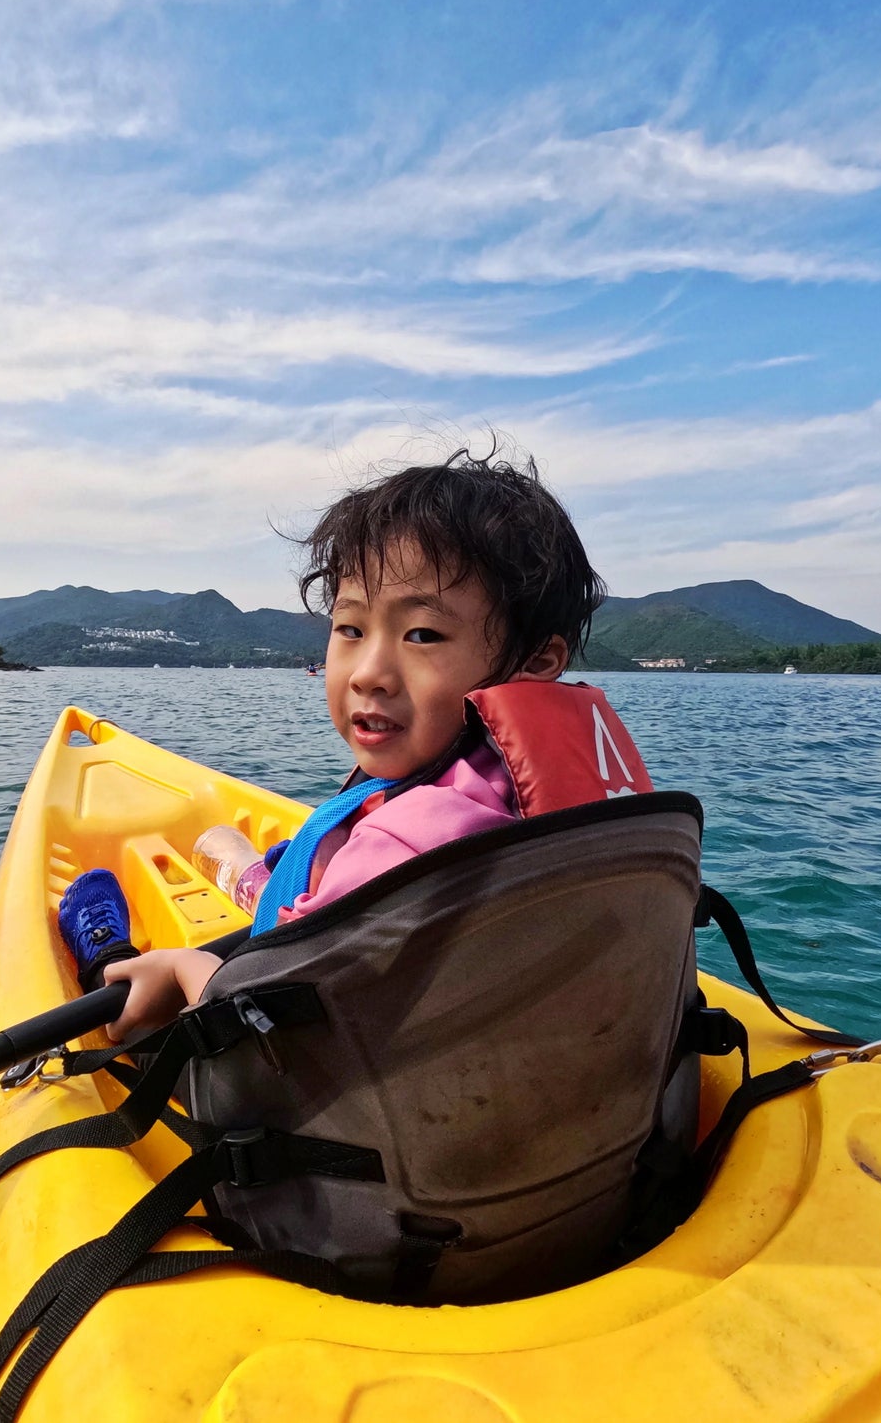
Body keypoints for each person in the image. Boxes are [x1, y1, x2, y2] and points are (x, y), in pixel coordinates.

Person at [57, 445, 647, 1041]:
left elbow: (269, 1017)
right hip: (532, 1060)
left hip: (354, 1100)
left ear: (534, 661)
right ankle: (279, 872)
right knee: (300, 861)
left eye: (422, 633)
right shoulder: (525, 793)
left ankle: (106, 955)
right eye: (351, 628)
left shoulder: (411, 837)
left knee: (142, 990)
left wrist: (186, 965)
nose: (368, 672)